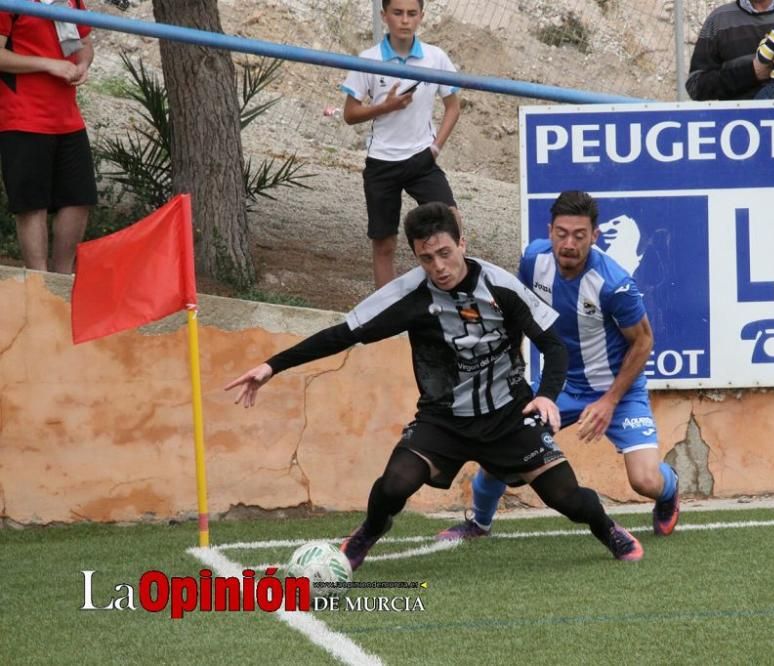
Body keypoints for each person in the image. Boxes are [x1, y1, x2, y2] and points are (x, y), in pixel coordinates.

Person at [225, 202, 644, 567]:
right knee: (394, 484)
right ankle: (366, 535)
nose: (439, 267)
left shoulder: (501, 285)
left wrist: (547, 395)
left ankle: (606, 528)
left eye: (445, 253)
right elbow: (343, 334)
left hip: (508, 416)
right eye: (427, 258)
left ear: (462, 243)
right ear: (416, 256)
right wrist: (272, 366)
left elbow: (553, 345)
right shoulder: (408, 294)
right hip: (443, 420)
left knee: (568, 498)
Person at [438, 191, 680, 541]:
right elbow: (519, 314)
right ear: (550, 231)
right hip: (559, 386)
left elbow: (643, 343)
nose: (569, 243)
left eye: (579, 235)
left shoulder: (614, 284)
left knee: (645, 481)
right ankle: (480, 523)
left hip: (617, 392)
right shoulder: (534, 260)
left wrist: (609, 401)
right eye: (562, 233)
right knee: (504, 449)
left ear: (594, 237)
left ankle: (670, 490)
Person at [341, 0, 461, 289]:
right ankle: (387, 314)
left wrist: (435, 148)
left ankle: (454, 296)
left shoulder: (436, 57)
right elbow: (349, 114)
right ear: (384, 16)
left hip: (422, 159)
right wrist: (386, 106)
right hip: (382, 162)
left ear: (421, 17)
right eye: (397, 13)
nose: (405, 21)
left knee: (452, 223)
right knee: (384, 243)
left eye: (411, 14)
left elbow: (453, 107)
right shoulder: (368, 59)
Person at [0, 0, 96, 274]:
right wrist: (48, 65)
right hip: (22, 116)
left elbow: (85, 43)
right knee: (32, 204)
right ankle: (38, 283)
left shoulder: (72, 0)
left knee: (79, 199)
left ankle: (62, 281)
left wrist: (83, 64)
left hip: (68, 117)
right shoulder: (10, 2)